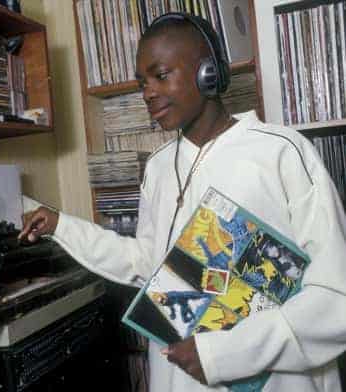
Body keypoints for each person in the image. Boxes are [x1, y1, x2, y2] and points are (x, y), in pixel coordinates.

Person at [19, 12, 346, 392]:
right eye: (142, 83)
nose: (147, 93)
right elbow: (146, 262)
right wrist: (61, 226)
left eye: (161, 75)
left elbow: (334, 298)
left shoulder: (282, 152)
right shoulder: (157, 168)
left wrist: (222, 354)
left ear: (209, 74)